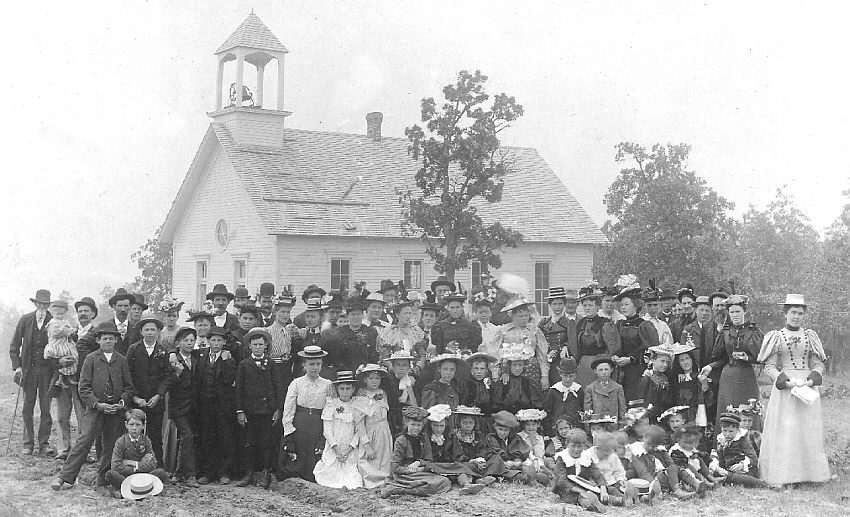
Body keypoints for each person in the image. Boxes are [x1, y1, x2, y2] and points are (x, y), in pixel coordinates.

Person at [757, 294, 830, 486]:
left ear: (804, 315)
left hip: (806, 387)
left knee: (807, 429)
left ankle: (810, 475)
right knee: (786, 431)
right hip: (786, 390)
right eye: (792, 313)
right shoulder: (776, 336)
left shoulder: (810, 336)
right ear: (785, 314)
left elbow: (818, 364)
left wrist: (810, 380)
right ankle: (784, 476)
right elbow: (769, 366)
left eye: (800, 313)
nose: (796, 316)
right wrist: (785, 381)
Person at [51, 327, 135, 491]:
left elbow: (129, 388)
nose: (108, 341)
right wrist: (97, 404)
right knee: (84, 442)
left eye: (111, 338)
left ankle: (102, 481)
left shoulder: (122, 360)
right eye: (105, 338)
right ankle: (64, 477)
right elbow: (84, 388)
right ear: (98, 341)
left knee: (111, 446)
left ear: (116, 340)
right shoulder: (91, 359)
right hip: (96, 410)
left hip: (115, 412)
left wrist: (121, 402)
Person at [700, 295, 764, 432]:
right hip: (728, 377)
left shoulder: (753, 332)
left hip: (746, 377)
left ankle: (751, 445)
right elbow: (723, 358)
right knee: (727, 411)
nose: (735, 315)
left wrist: (748, 358)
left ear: (744, 312)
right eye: (732, 312)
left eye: (738, 311)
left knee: (748, 411)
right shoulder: (725, 332)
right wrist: (710, 366)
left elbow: (761, 357)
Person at [235, 328, 282, 489]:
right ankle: (249, 474)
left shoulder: (271, 364)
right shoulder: (244, 364)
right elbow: (239, 389)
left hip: (267, 411)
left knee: (266, 443)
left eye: (261, 344)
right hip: (250, 411)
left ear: (265, 346)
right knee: (249, 443)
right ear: (249, 346)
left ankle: (266, 474)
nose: (257, 347)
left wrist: (277, 409)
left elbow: (277, 387)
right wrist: (240, 411)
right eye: (254, 344)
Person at [10, 289, 54, 456]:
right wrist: (18, 367)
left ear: (48, 305)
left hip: (47, 371)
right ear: (35, 304)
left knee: (46, 408)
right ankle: (28, 443)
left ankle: (44, 443)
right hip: (28, 371)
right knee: (27, 407)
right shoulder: (26, 320)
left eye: (45, 304)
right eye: (39, 303)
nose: (42, 307)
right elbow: (14, 346)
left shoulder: (54, 321)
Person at [126, 316, 171, 468]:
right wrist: (135, 397)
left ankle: (157, 468)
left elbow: (167, 377)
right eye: (147, 329)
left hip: (155, 401)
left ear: (158, 332)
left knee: (155, 436)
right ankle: (134, 467)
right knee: (135, 433)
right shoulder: (134, 349)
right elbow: (128, 376)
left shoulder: (162, 351)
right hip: (137, 400)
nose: (150, 333)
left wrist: (159, 395)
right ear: (141, 332)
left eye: (153, 329)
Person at [282, 345, 331, 482]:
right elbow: (289, 408)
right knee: (298, 454)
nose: (315, 367)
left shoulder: (327, 385)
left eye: (318, 364)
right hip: (301, 421)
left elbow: (330, 408)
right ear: (304, 365)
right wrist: (289, 432)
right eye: (311, 364)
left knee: (315, 455)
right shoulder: (297, 383)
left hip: (318, 421)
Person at [380, 406, 451, 498]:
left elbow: (429, 460)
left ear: (423, 425)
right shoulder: (401, 440)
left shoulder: (424, 439)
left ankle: (401, 490)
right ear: (406, 423)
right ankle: (400, 489)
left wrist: (418, 463)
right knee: (427, 485)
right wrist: (410, 470)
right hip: (405, 475)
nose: (416, 428)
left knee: (444, 481)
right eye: (413, 425)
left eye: (419, 425)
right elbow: (395, 467)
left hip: (421, 472)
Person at [196, 327, 237, 485]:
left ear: (224, 342)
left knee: (224, 437)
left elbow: (229, 379)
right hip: (204, 403)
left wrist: (226, 361)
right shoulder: (200, 355)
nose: (216, 343)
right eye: (213, 340)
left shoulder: (228, 358)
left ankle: (224, 472)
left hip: (222, 405)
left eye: (219, 340)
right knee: (206, 437)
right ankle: (207, 472)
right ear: (208, 341)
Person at [314, 371, 368, 489]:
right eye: (342, 388)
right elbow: (327, 430)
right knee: (328, 476)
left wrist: (349, 449)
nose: (345, 392)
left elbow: (359, 431)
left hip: (349, 448)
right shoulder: (331, 404)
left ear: (353, 389)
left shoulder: (357, 405)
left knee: (352, 479)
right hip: (334, 447)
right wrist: (336, 449)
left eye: (348, 388)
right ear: (337, 389)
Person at [105, 409, 170, 498]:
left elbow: (153, 464)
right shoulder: (121, 442)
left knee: (160, 472)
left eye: (138, 425)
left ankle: (129, 490)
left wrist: (133, 463)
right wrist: (141, 465)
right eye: (131, 424)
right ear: (126, 425)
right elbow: (116, 466)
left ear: (143, 426)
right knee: (110, 474)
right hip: (126, 477)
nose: (134, 428)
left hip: (143, 477)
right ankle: (127, 489)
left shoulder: (146, 441)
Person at [425, 404, 489, 495]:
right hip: (434, 466)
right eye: (435, 426)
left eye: (441, 426)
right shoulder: (426, 438)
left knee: (462, 466)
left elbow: (456, 454)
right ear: (430, 425)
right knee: (453, 468)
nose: (439, 429)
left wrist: (469, 461)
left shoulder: (449, 437)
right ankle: (476, 480)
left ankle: (466, 485)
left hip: (450, 466)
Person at [43, 299, 77, 461]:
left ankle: (80, 451)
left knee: (82, 418)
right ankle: (64, 449)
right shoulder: (52, 325)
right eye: (56, 310)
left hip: (79, 379)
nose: (59, 312)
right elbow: (55, 339)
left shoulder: (73, 326)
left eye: (63, 310)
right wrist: (59, 362)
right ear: (52, 311)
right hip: (60, 374)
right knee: (62, 417)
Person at [612, 284, 659, 401]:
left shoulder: (644, 324)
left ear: (636, 306)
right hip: (619, 370)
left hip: (637, 369)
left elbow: (650, 348)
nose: (623, 307)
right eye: (622, 305)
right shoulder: (619, 324)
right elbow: (614, 344)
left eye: (626, 304)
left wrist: (630, 359)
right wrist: (615, 356)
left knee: (635, 399)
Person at [167, 327, 200, 487]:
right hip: (178, 407)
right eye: (185, 340)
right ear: (178, 343)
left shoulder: (197, 358)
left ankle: (179, 472)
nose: (189, 343)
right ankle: (191, 474)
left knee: (189, 438)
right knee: (187, 435)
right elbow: (167, 383)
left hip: (194, 407)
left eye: (192, 340)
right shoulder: (172, 359)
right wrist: (177, 374)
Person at [493, 298, 549, 390]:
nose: (524, 318)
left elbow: (542, 354)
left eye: (526, 316)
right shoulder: (504, 331)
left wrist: (545, 376)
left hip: (532, 371)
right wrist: (495, 373)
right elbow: (495, 354)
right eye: (520, 316)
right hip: (509, 371)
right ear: (513, 316)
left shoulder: (534, 330)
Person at [353, 363, 393, 487]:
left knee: (384, 460)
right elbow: (359, 423)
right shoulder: (361, 396)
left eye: (377, 378)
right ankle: (371, 481)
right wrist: (366, 444)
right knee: (368, 460)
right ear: (365, 379)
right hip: (370, 431)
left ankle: (385, 479)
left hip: (384, 431)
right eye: (371, 378)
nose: (374, 381)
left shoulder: (383, 393)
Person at [574, 283, 620, 387]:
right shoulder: (580, 323)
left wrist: (606, 364)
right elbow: (577, 346)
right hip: (583, 364)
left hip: (599, 362)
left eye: (590, 305)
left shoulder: (605, 323)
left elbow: (612, 347)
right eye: (585, 305)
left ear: (597, 306)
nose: (587, 308)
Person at [550, 428, 607, 512]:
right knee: (580, 498)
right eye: (573, 446)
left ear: (584, 445)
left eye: (580, 446)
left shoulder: (586, 457)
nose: (576, 450)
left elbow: (596, 473)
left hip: (584, 486)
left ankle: (621, 500)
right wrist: (581, 491)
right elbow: (561, 481)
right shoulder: (562, 458)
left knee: (602, 492)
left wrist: (603, 487)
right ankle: (593, 506)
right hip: (567, 489)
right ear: (567, 444)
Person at [710, 412, 770, 488]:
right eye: (724, 431)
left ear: (738, 429)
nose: (727, 434)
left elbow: (754, 459)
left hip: (746, 470)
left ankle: (764, 485)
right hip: (728, 470)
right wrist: (719, 468)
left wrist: (741, 465)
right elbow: (720, 457)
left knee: (738, 477)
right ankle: (725, 479)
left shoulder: (743, 440)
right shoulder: (721, 439)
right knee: (714, 472)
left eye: (731, 431)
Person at [538, 287, 578, 387]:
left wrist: (565, 347)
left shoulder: (569, 323)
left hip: (561, 361)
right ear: (550, 305)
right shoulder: (544, 323)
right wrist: (547, 352)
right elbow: (538, 341)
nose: (557, 307)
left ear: (564, 305)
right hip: (545, 360)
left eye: (560, 304)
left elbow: (573, 342)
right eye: (554, 304)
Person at [586, 431, 638, 507]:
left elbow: (618, 471)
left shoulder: (612, 456)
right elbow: (586, 472)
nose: (607, 456)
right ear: (598, 448)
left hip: (611, 482)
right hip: (596, 484)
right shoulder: (588, 455)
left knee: (618, 489)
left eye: (609, 454)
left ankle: (634, 498)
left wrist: (621, 480)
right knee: (605, 493)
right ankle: (620, 501)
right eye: (605, 454)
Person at [491, 349, 544, 415]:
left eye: (520, 365)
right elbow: (497, 405)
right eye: (514, 365)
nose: (517, 368)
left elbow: (536, 404)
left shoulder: (529, 382)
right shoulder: (503, 382)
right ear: (509, 366)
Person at [484, 410, 531, 482]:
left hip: (512, 467)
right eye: (500, 429)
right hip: (497, 466)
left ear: (510, 430)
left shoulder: (515, 438)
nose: (502, 433)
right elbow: (492, 454)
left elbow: (521, 452)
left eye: (506, 430)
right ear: (495, 427)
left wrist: (517, 462)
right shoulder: (491, 438)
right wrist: (505, 463)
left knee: (528, 472)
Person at [637, 344, 677, 424]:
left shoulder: (666, 378)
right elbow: (641, 402)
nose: (665, 365)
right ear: (653, 360)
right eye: (662, 361)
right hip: (649, 419)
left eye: (667, 362)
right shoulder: (646, 378)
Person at [542, 357, 583, 434]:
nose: (568, 379)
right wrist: (548, 432)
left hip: (575, 429)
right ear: (560, 374)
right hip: (557, 430)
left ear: (575, 374)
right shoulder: (553, 391)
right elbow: (547, 413)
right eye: (565, 376)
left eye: (571, 376)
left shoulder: (578, 390)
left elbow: (582, 409)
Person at [383, 350, 419, 436]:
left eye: (404, 365)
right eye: (398, 365)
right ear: (393, 366)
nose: (401, 368)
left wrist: (410, 387)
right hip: (391, 418)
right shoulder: (387, 380)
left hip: (408, 417)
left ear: (409, 367)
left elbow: (415, 404)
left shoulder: (413, 380)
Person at [583, 357, 626, 425]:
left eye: (606, 369)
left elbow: (622, 411)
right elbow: (587, 412)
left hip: (613, 427)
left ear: (611, 370)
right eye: (600, 370)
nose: (603, 372)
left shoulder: (618, 388)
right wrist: (589, 429)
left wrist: (622, 427)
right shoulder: (590, 389)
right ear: (595, 371)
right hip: (597, 428)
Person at [516, 408, 553, 486]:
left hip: (539, 462)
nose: (531, 427)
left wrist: (540, 464)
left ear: (538, 425)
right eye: (528, 425)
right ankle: (533, 478)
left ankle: (545, 477)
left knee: (548, 463)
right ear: (524, 425)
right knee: (529, 467)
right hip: (525, 460)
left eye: (533, 425)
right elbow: (526, 452)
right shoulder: (520, 437)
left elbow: (540, 454)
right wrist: (535, 462)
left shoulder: (539, 438)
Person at [464, 352, 498, 432]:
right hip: (471, 421)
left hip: (487, 422)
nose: (479, 372)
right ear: (472, 370)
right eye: (476, 368)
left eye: (482, 369)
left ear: (486, 370)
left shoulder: (491, 385)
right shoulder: (467, 385)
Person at [681, 296, 712, 368]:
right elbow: (682, 352)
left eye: (707, 310)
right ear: (695, 311)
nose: (704, 313)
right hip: (694, 369)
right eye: (701, 310)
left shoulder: (716, 329)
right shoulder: (688, 329)